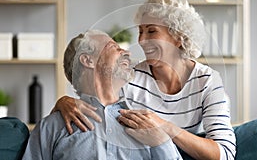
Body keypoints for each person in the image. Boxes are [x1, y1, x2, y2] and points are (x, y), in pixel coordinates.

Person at [52, 0, 236, 160]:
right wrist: (64, 102)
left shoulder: (207, 81)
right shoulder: (131, 78)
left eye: (151, 31)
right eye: (140, 31)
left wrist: (164, 127)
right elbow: (93, 101)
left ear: (178, 36)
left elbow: (225, 154)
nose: (141, 40)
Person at [22, 30, 182, 160]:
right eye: (113, 47)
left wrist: (162, 142)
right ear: (88, 60)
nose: (126, 51)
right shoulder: (52, 126)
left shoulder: (148, 121)